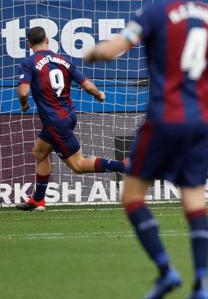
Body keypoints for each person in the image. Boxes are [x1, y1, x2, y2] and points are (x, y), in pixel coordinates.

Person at [84, 0, 208, 299]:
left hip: (164, 119)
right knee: (194, 199)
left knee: (133, 196)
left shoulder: (154, 11)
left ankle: (166, 268)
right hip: (200, 121)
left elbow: (113, 50)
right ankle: (202, 284)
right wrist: (204, 79)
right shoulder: (207, 13)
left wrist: (90, 53)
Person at [15, 27, 126, 212]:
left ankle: (124, 166)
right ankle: (38, 200)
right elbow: (87, 85)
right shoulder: (63, 60)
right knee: (39, 152)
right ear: (48, 40)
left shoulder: (29, 62)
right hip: (67, 116)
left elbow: (24, 91)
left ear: (29, 44)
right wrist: (98, 95)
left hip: (54, 121)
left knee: (78, 165)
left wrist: (24, 104)